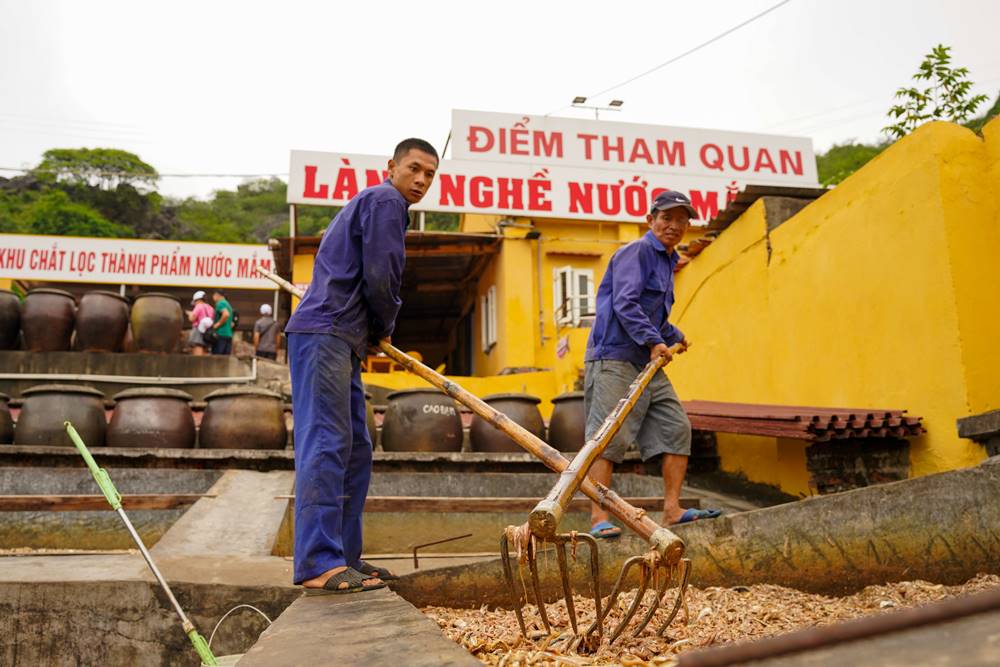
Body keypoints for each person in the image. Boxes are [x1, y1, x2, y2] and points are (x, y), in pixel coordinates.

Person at [284, 138, 438, 594]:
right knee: (328, 442)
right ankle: (317, 564)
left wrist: (368, 331)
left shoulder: (380, 204)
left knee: (356, 450)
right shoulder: (385, 201)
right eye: (414, 169)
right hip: (324, 332)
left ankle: (345, 557)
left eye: (430, 174)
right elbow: (382, 274)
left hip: (343, 339)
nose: (421, 180)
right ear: (392, 167)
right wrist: (385, 324)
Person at [585, 190, 721, 539]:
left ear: (688, 226)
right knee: (606, 438)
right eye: (666, 218)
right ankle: (598, 516)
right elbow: (626, 304)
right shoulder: (638, 251)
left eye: (681, 220)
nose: (673, 225)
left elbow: (651, 314)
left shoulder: (666, 261)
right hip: (615, 357)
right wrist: (656, 341)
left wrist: (674, 334)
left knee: (676, 428)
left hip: (646, 360)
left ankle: (672, 510)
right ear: (651, 220)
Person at [186, 290, 214, 356]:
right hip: (208, 331)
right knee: (205, 349)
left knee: (198, 346)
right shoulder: (210, 308)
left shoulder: (199, 306)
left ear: (197, 299)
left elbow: (192, 318)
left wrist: (190, 314)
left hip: (198, 330)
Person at [210, 289, 234, 355]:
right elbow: (231, 322)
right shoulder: (228, 304)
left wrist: (217, 325)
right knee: (225, 359)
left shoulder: (220, 303)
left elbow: (226, 314)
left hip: (220, 334)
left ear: (217, 295)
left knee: (217, 359)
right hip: (228, 334)